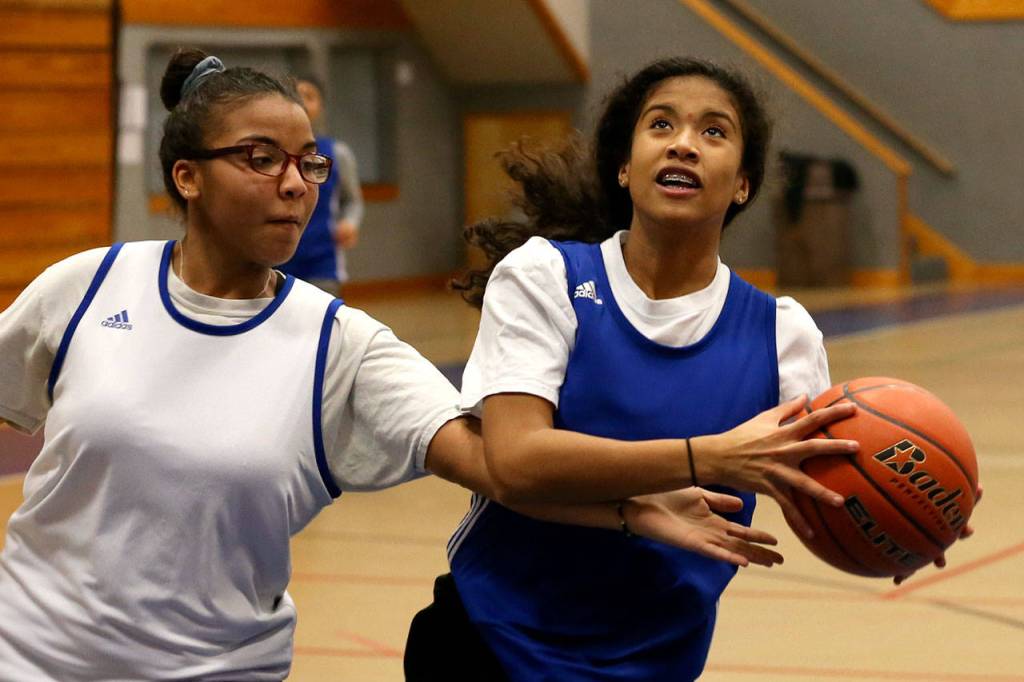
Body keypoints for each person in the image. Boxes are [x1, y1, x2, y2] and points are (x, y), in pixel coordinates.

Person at [0, 49, 792, 680]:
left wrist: (633, 509)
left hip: (218, 667)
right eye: (260, 159)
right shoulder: (87, 286)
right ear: (187, 176)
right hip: (26, 654)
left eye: (308, 164)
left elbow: (498, 465)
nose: (294, 184)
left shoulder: (338, 345)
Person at [407, 57, 875, 681]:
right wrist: (707, 457)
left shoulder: (783, 334)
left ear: (743, 184)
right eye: (661, 124)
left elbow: (844, 489)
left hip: (658, 662)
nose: (683, 143)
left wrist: (927, 509)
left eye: (714, 131)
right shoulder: (545, 276)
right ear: (625, 168)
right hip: (491, 646)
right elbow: (517, 460)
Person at [277, 75, 364, 296]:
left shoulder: (336, 152)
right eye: (296, 95)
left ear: (321, 106)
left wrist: (349, 223)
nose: (302, 102)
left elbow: (352, 200)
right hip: (277, 255)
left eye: (309, 96)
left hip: (322, 258)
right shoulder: (270, 152)